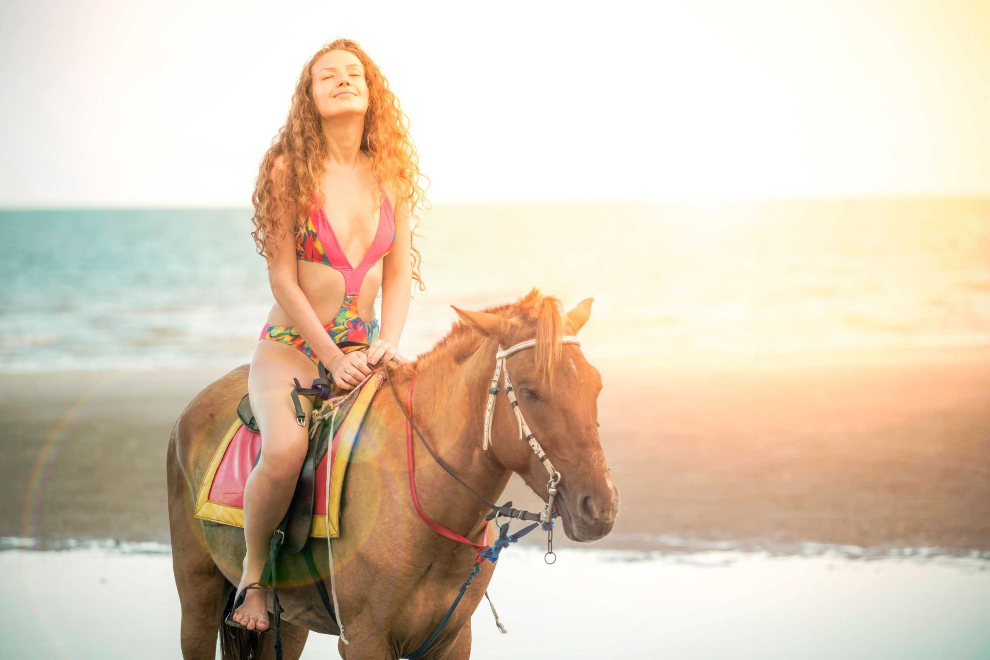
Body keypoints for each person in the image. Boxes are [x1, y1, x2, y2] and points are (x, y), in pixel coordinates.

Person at [228, 38, 427, 632]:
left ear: (371, 92)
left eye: (353, 74)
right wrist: (332, 356)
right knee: (286, 451)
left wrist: (386, 340)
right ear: (309, 97)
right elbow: (282, 279)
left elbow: (399, 275)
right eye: (327, 77)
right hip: (291, 350)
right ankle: (253, 578)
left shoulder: (390, 174)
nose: (342, 81)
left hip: (364, 356)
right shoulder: (290, 169)